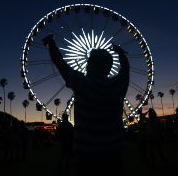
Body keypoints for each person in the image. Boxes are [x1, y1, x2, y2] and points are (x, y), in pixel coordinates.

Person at [42, 35, 129, 176]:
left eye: (89, 62)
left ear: (92, 65)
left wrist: (51, 43)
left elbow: (59, 63)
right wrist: (120, 53)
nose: (87, 65)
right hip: (114, 152)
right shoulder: (118, 86)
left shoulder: (83, 83)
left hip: (86, 153)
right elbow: (125, 70)